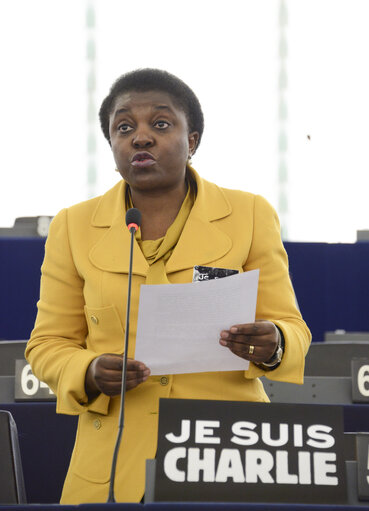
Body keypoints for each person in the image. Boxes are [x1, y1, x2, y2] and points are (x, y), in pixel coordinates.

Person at [25, 68, 311, 504]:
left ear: (192, 140)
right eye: (124, 127)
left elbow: (293, 328)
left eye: (160, 124)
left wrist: (273, 342)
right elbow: (48, 344)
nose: (140, 137)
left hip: (224, 454)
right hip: (112, 468)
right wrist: (87, 370)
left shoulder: (249, 213)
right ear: (112, 145)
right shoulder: (74, 226)